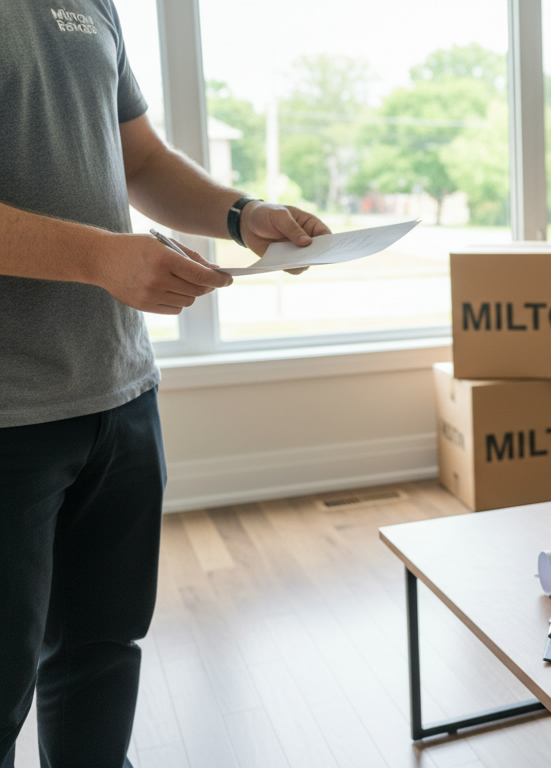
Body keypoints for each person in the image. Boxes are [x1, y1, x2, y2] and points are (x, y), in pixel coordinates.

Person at [0, 2, 330, 765]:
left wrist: (241, 214)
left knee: (101, 652)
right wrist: (100, 258)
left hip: (118, 392)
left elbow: (139, 158)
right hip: (9, 416)